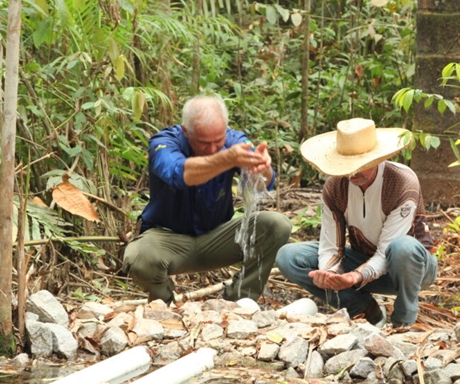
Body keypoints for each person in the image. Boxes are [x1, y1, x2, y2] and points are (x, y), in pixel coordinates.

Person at [123, 95, 291, 303]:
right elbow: (179, 174)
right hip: (167, 240)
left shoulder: (234, 140)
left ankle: (241, 301)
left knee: (277, 224)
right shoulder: (164, 142)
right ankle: (163, 304)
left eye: (218, 141)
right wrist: (225, 158)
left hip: (216, 238)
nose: (212, 148)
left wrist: (261, 167)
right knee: (139, 256)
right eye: (203, 143)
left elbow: (264, 184)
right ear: (186, 131)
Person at [275, 118, 437, 327]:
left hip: (411, 268)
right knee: (289, 256)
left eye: (361, 166)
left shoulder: (401, 182)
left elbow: (387, 250)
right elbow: (330, 246)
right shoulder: (335, 187)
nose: (352, 173)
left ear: (378, 159)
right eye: (347, 166)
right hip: (362, 260)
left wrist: (355, 277)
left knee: (402, 247)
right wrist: (330, 274)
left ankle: (403, 322)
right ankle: (363, 309)